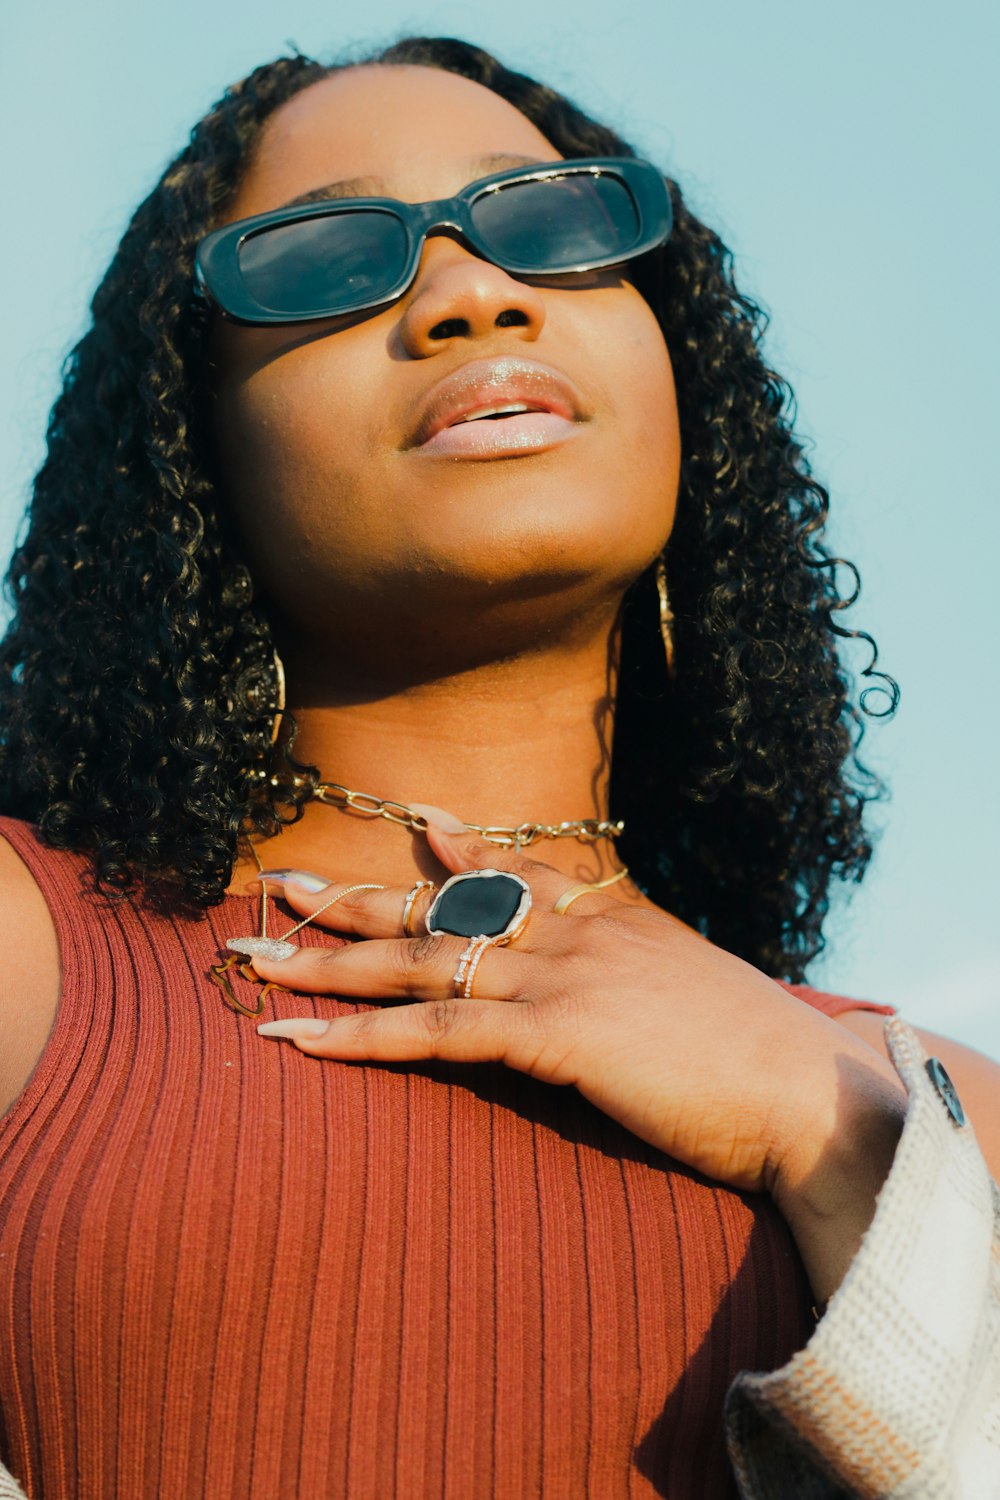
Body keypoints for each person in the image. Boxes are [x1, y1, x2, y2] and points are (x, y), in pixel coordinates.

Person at [0, 36, 996, 1499]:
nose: (472, 290)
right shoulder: (31, 953)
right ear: (193, 446)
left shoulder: (926, 1107)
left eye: (553, 223)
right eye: (328, 256)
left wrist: (828, 1137)